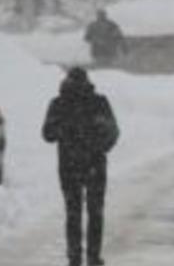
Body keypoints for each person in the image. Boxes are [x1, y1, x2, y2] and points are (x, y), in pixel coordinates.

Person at [43, 67, 119, 266]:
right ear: (87, 82)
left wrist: (65, 130)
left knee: (73, 213)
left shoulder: (59, 104)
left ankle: (74, 257)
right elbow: (113, 132)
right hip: (94, 164)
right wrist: (100, 146)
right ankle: (93, 257)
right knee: (95, 213)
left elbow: (48, 134)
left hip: (69, 165)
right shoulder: (99, 103)